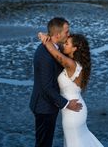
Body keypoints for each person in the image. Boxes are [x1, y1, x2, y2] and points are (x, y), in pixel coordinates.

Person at [38, 31, 104, 147]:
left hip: (72, 111)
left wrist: (44, 37)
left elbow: (52, 50)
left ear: (75, 48)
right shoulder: (76, 63)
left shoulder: (71, 64)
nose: (64, 45)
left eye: (67, 44)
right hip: (75, 109)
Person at [29, 17, 83, 147]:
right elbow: (46, 88)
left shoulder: (54, 47)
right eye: (66, 32)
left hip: (49, 105)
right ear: (57, 35)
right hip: (44, 106)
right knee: (43, 144)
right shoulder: (45, 56)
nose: (69, 34)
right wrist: (66, 104)